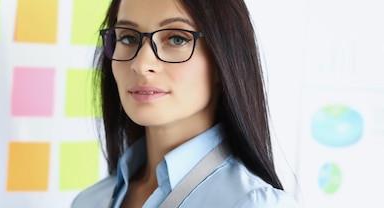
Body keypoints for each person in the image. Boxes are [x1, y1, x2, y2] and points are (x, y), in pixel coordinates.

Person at [72, 0, 299, 207]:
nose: (141, 64)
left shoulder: (253, 203)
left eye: (177, 39)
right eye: (128, 38)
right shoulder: (88, 201)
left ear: (224, 61)